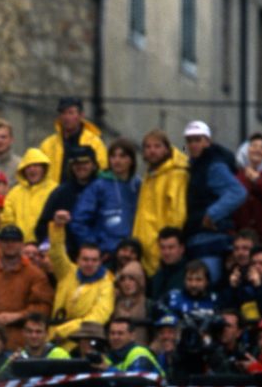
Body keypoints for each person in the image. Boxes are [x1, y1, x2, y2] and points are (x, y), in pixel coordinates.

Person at [0, 225, 54, 350]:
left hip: (21, 343)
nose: (10, 244)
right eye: (6, 240)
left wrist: (17, 316)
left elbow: (43, 307)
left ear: (21, 245)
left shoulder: (36, 275)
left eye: (14, 241)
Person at [182, 121, 247, 285]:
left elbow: (238, 192)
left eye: (198, 140)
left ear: (207, 141)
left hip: (210, 239)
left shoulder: (213, 165)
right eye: (189, 141)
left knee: (207, 285)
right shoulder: (197, 165)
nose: (193, 145)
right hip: (198, 236)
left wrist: (211, 214)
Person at [46, 210, 113, 340]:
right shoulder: (67, 272)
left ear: (100, 262)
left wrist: (63, 330)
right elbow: (56, 253)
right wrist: (58, 227)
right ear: (77, 260)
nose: (89, 264)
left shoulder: (106, 284)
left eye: (94, 260)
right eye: (85, 259)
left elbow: (98, 317)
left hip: (82, 341)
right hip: (54, 337)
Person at [69, 138, 141, 257]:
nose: (117, 160)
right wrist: (95, 248)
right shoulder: (99, 185)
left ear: (131, 160)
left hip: (134, 252)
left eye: (122, 156)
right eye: (113, 156)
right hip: (107, 254)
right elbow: (78, 221)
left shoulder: (138, 185)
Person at [132, 129, 189, 275]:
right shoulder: (150, 174)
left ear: (166, 149)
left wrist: (166, 244)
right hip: (145, 247)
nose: (152, 151)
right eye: (148, 147)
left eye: (157, 146)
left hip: (160, 247)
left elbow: (177, 213)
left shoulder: (176, 174)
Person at [33, 145, 97, 245]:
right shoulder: (61, 193)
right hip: (67, 250)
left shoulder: (103, 190)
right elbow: (41, 228)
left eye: (85, 162)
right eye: (76, 163)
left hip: (99, 250)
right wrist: (56, 224)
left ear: (94, 165)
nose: (80, 167)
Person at [38, 96, 108, 185]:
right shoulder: (48, 145)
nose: (66, 117)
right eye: (63, 113)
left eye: (71, 113)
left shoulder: (95, 143)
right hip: (55, 192)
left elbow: (102, 171)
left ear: (81, 115)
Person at [0, 148, 56, 245]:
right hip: (19, 247)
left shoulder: (55, 191)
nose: (32, 169)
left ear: (44, 168)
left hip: (47, 247)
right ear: (23, 170)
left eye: (36, 165)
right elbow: (6, 221)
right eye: (28, 166)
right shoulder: (14, 193)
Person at [94, 317, 164, 378]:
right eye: (112, 333)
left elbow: (137, 380)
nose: (115, 337)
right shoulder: (108, 357)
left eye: (120, 333)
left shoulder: (139, 354)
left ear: (132, 336)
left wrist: (108, 369)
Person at [148, 227, 187, 303]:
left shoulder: (190, 275)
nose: (166, 252)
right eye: (162, 248)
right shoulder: (157, 275)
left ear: (182, 249)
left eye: (171, 247)